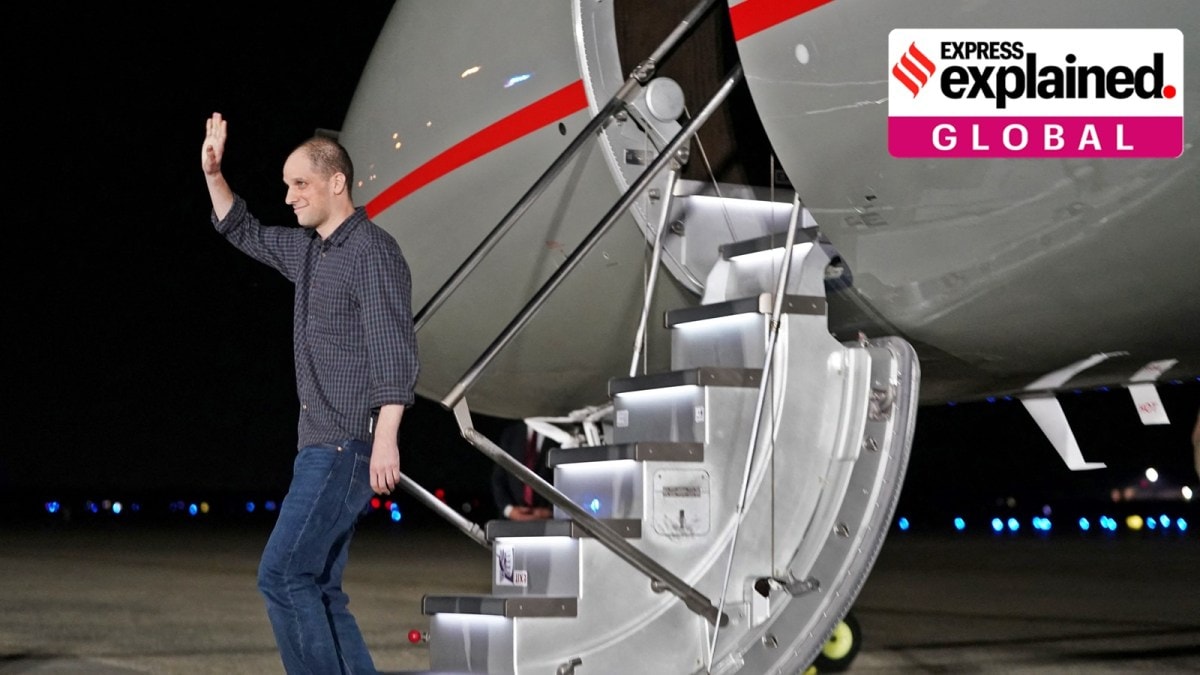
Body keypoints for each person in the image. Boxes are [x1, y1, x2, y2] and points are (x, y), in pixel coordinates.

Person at [201, 112, 418, 674]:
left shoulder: (372, 250)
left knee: (282, 575)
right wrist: (214, 173)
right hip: (318, 445)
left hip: (346, 445)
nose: (290, 196)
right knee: (319, 585)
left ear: (336, 182)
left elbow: (393, 348)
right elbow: (241, 229)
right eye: (286, 185)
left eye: (300, 183)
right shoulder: (309, 252)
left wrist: (386, 437)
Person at [491, 421, 558, 521]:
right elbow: (498, 477)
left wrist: (552, 511)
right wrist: (509, 510)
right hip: (512, 520)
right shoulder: (511, 433)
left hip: (551, 521)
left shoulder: (560, 435)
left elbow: (568, 480)